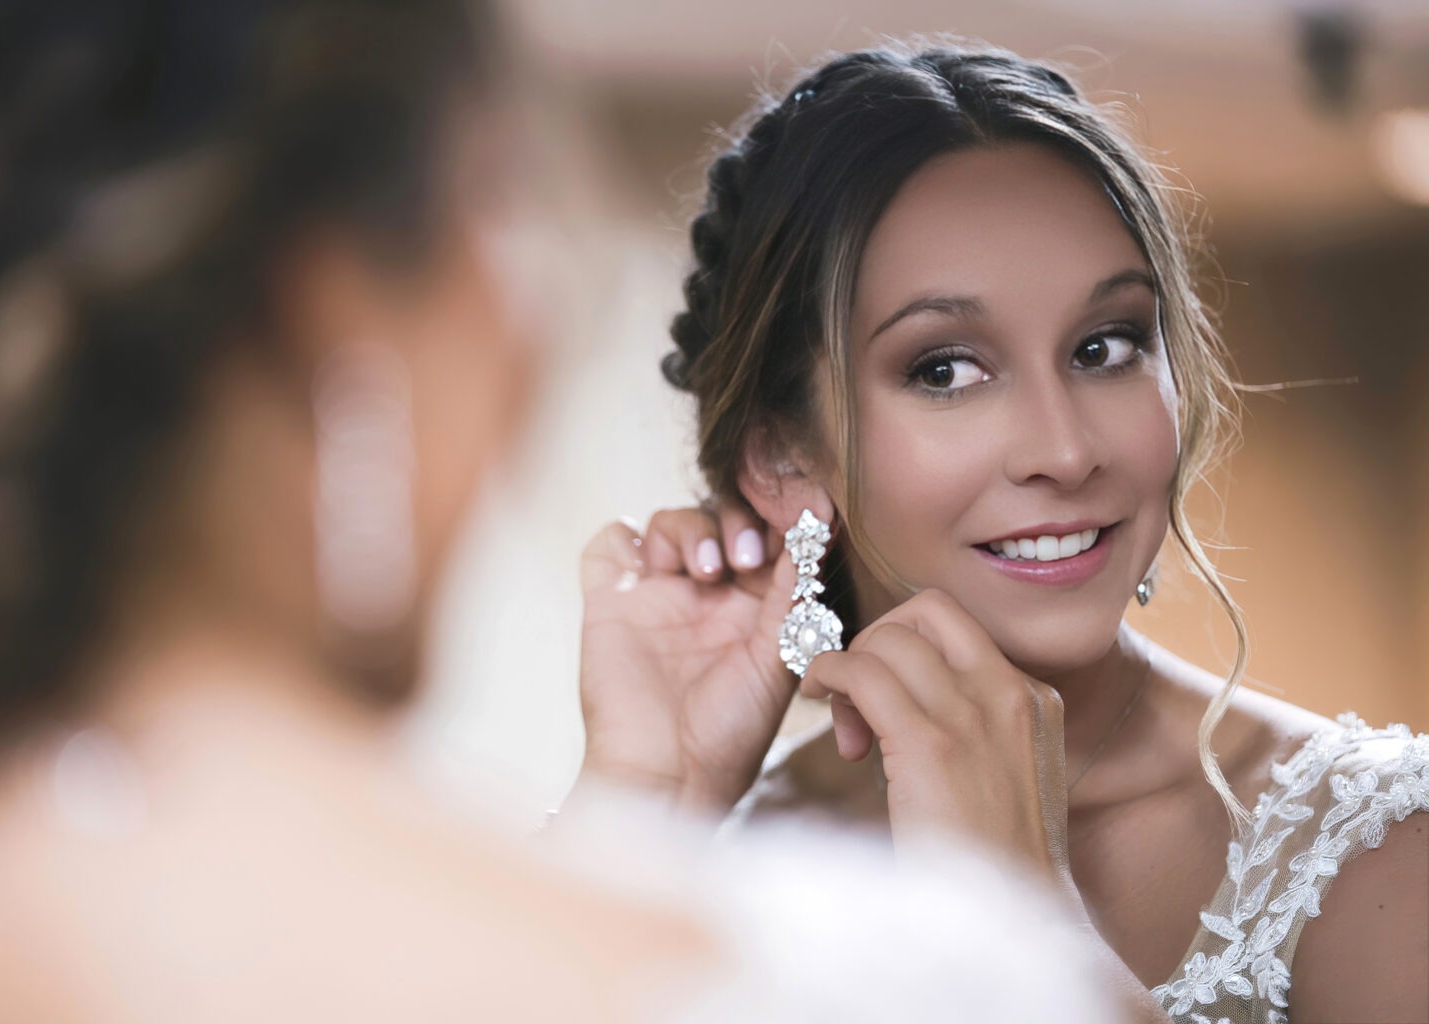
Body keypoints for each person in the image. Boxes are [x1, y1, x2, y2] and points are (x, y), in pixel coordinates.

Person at [0, 5, 1120, 1021]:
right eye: (496, 202)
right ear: (336, 320)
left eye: (1106, 345)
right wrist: (1008, 920)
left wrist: (646, 802)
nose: (532, 328)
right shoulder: (900, 980)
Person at [572, 39, 1429, 1024]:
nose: (1064, 451)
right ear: (783, 459)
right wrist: (638, 802)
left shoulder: (1384, 853)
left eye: (1106, 347)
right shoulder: (721, 859)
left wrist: (1022, 917)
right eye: (946, 370)